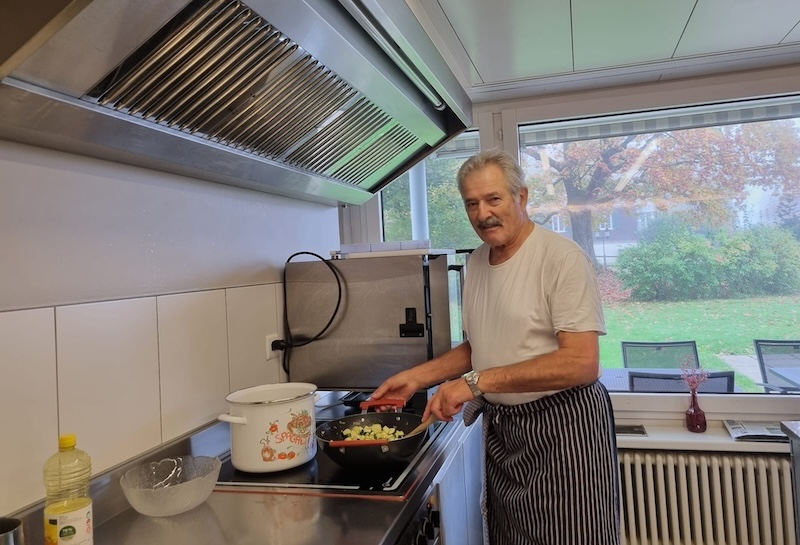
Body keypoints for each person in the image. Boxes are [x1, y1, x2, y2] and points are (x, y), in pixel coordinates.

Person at [371, 149, 620, 544]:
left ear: (521, 197)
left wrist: (473, 384)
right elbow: (481, 346)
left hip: (564, 428)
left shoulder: (561, 258)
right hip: (506, 434)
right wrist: (416, 379)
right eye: (472, 203)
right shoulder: (477, 263)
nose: (482, 213)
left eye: (493, 199)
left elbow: (581, 363)